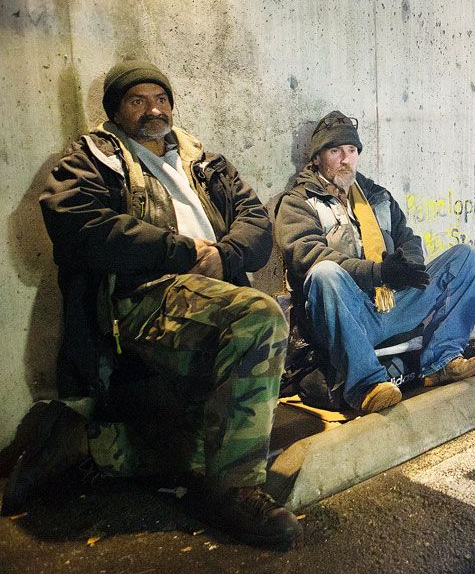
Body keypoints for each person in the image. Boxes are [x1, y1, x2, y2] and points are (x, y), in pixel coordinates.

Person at [0, 60, 300, 546]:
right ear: (117, 111)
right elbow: (77, 225)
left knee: (206, 441)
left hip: (211, 295)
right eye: (137, 101)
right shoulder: (95, 158)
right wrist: (180, 250)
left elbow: (256, 222)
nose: (152, 110)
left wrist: (224, 256)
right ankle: (236, 492)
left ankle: (83, 445)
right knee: (260, 316)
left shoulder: (205, 162)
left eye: (160, 99)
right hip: (143, 298)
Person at [274, 110, 475, 414]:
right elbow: (306, 257)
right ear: (317, 158)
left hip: (392, 303)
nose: (345, 159)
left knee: (465, 258)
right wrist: (378, 273)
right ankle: (367, 386)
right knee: (324, 273)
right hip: (349, 313)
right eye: (335, 151)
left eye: (351, 150)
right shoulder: (298, 201)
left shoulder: (376, 195)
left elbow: (408, 238)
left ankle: (441, 362)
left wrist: (408, 266)